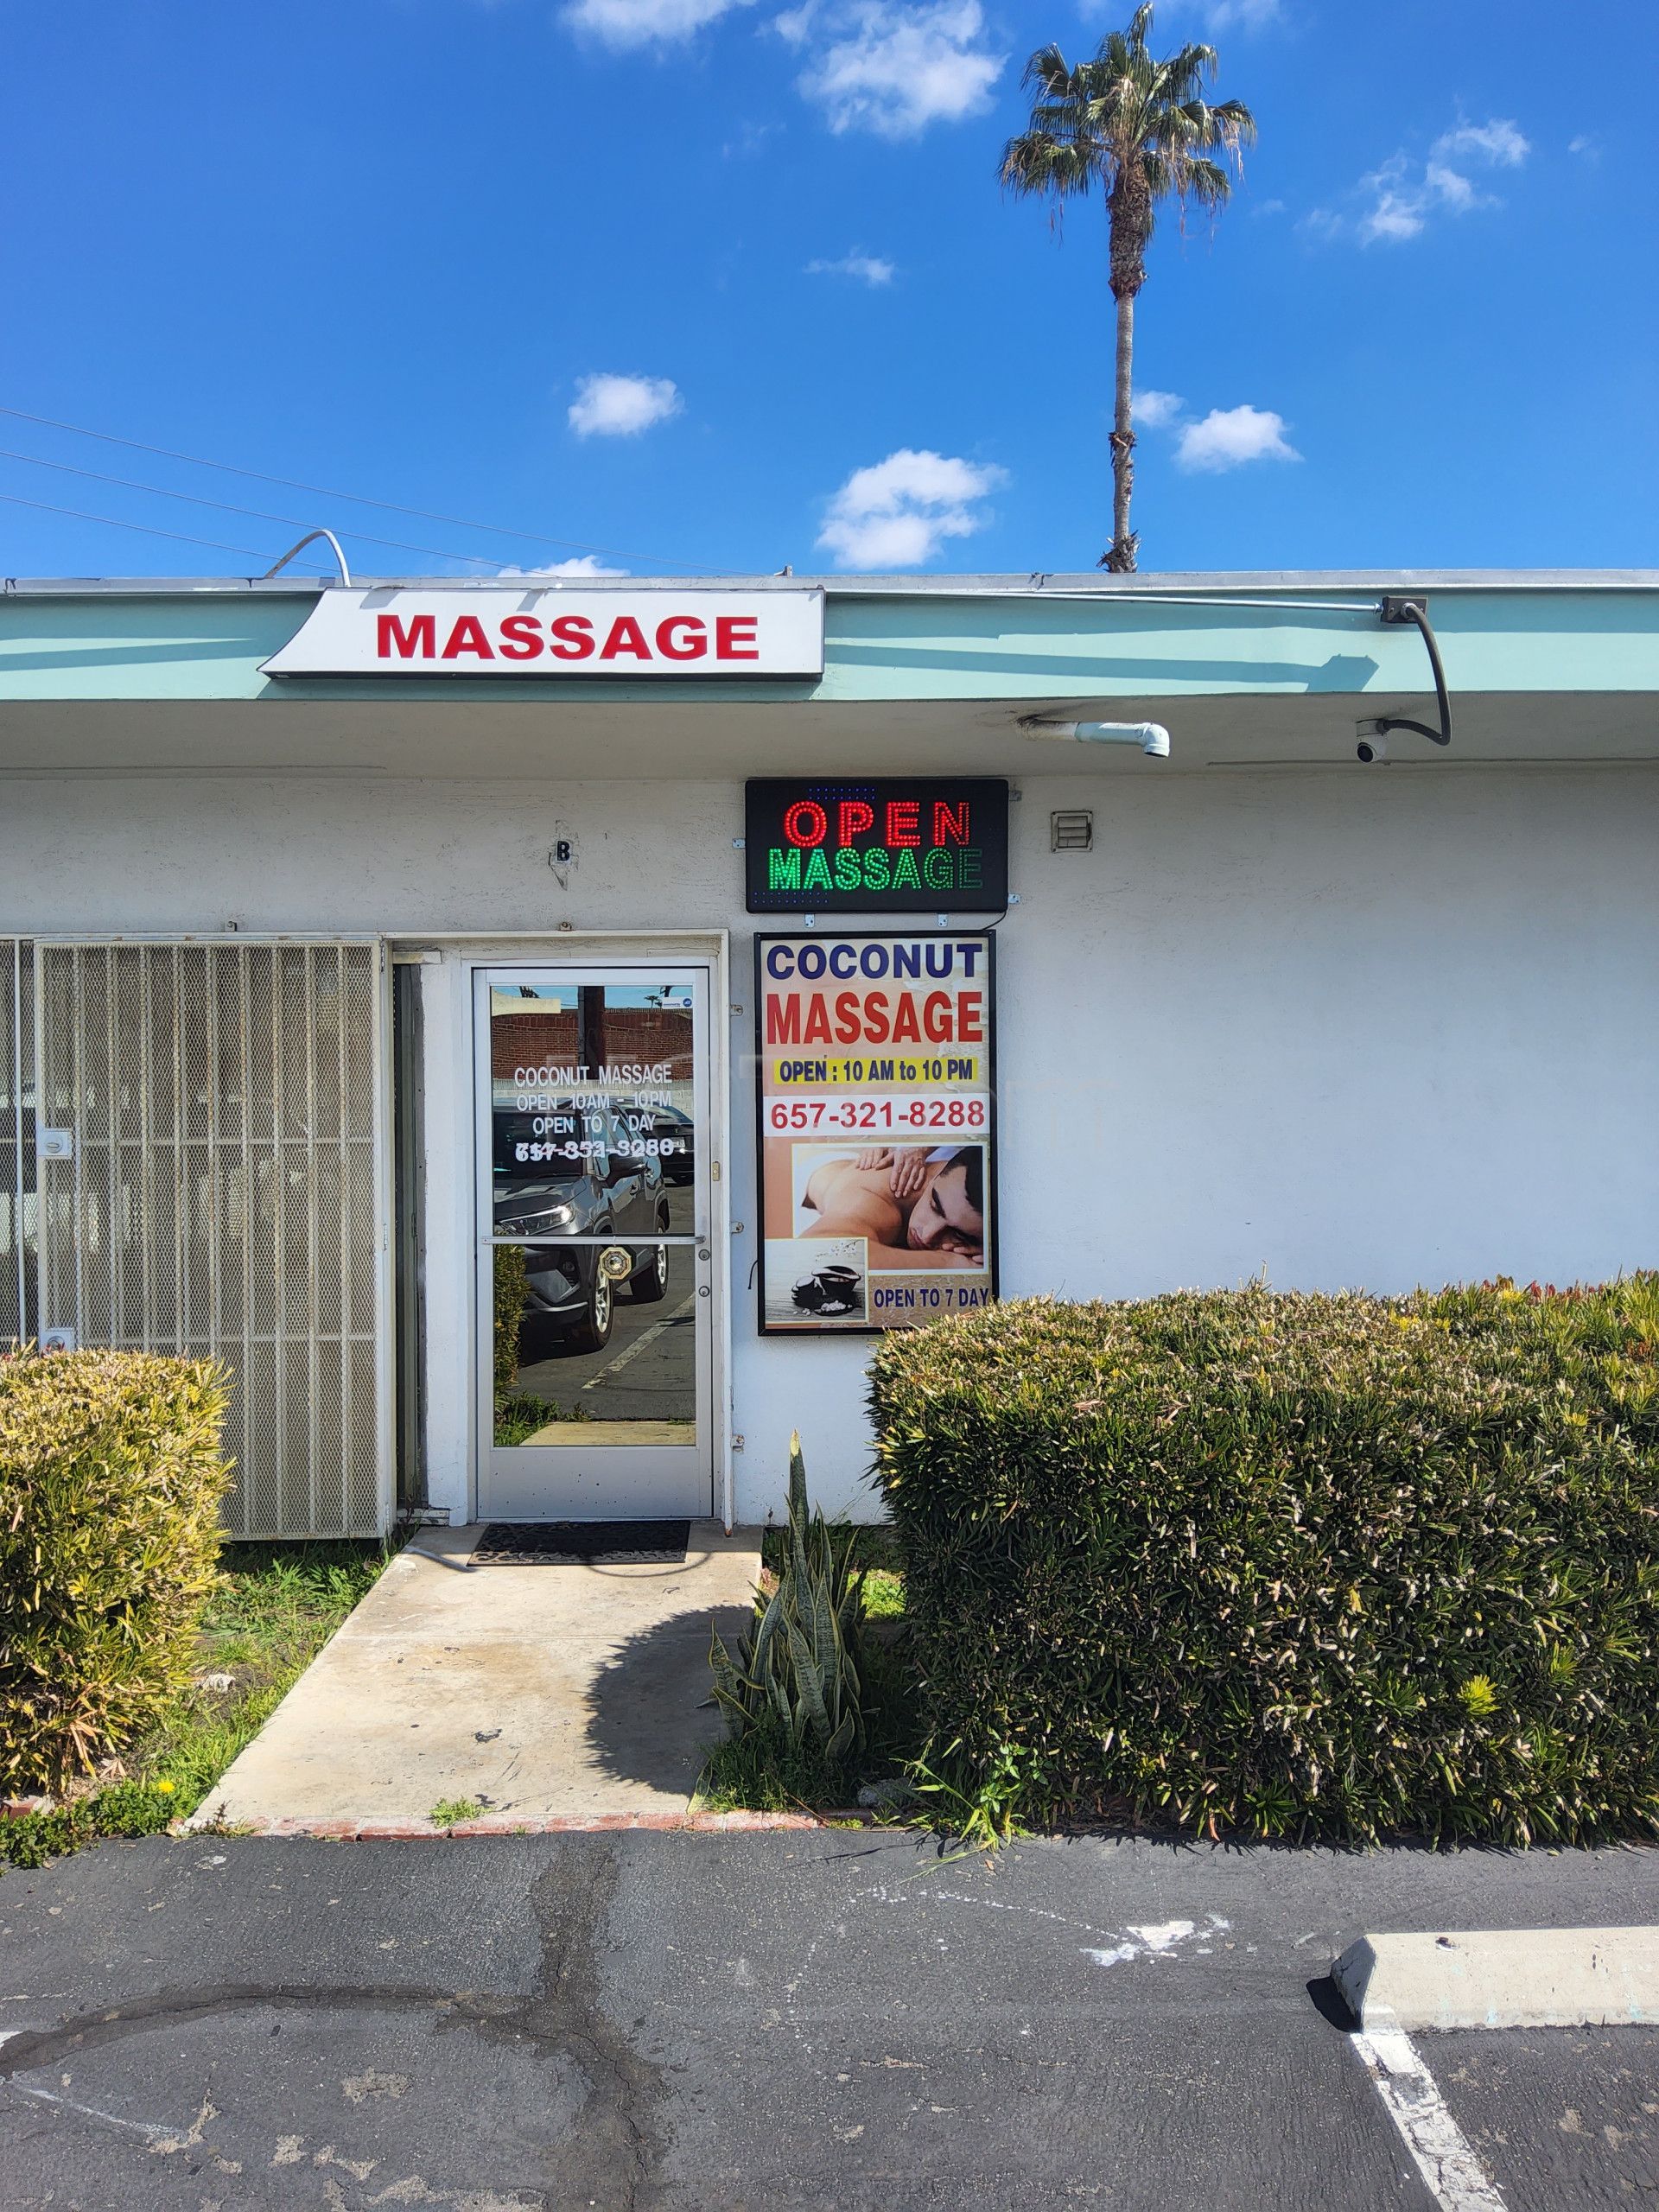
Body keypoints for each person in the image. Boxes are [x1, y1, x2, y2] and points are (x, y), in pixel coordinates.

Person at [800, 1145, 985, 1267]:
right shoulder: (876, 1198)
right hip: (801, 1182)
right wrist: (951, 1263)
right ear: (935, 1176)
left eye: (960, 1235)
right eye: (935, 1205)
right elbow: (819, 1254)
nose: (927, 1235)